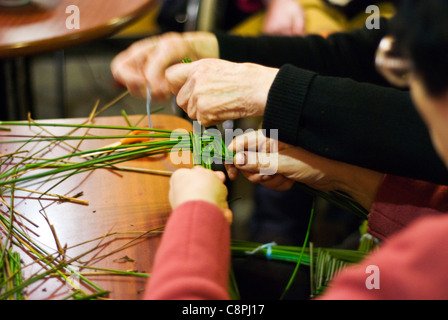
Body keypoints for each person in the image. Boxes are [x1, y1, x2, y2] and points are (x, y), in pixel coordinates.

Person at [112, 0, 448, 299]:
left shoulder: (412, 270)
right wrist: (341, 178)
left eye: (405, 71)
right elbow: (360, 52)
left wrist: (196, 217)